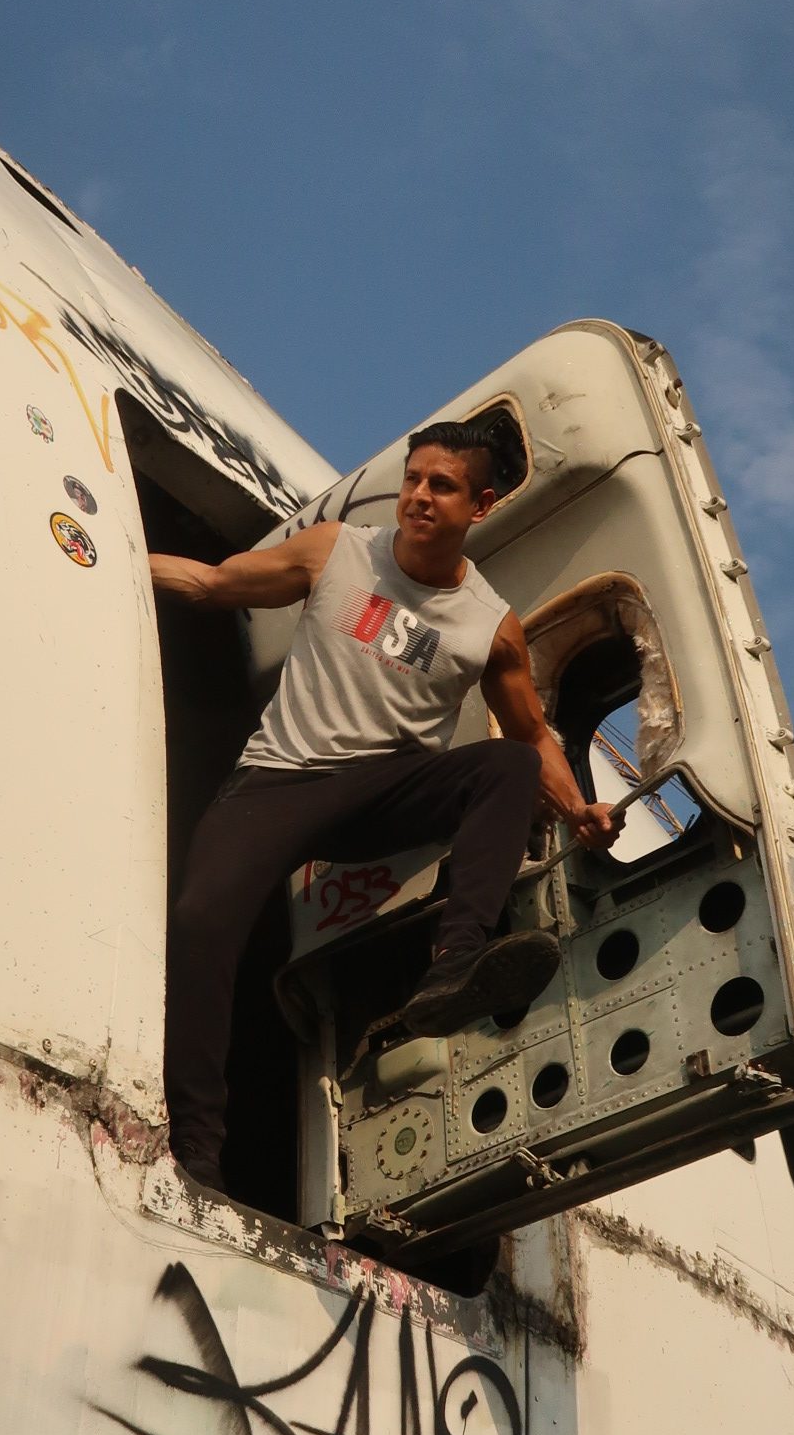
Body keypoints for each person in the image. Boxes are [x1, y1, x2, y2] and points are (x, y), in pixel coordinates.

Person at [151, 421, 618, 1194]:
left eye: (442, 486)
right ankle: (199, 1144)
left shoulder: (487, 623)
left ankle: (453, 966)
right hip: (281, 779)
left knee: (503, 764)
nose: (419, 497)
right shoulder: (337, 551)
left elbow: (535, 733)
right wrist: (95, 549)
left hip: (386, 791)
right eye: (414, 480)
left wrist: (578, 812)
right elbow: (211, 583)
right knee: (202, 921)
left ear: (481, 504)